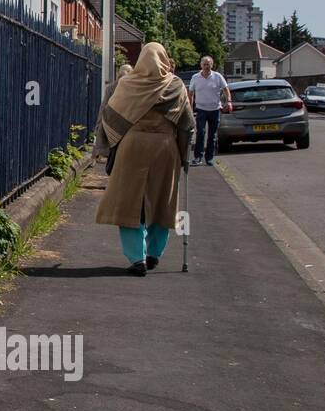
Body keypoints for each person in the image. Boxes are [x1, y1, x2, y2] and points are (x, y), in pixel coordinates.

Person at [94, 43, 195, 276]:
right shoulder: (176, 85)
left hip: (132, 147)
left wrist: (111, 145)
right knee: (162, 200)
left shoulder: (127, 84)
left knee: (130, 202)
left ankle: (136, 258)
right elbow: (187, 125)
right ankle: (154, 253)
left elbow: (109, 116)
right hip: (165, 147)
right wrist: (184, 155)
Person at [188, 56, 231, 166]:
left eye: (208, 64)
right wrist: (189, 107)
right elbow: (191, 93)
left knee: (212, 136)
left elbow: (226, 89)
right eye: (204, 64)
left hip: (215, 109)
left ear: (212, 65)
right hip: (201, 109)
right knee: (200, 133)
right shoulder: (195, 77)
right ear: (201, 65)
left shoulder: (217, 76)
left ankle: (209, 158)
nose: (206, 67)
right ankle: (198, 157)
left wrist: (229, 101)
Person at [92, 64, 134, 159]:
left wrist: (98, 126)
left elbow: (103, 108)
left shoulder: (111, 88)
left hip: (112, 125)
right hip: (127, 126)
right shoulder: (133, 89)